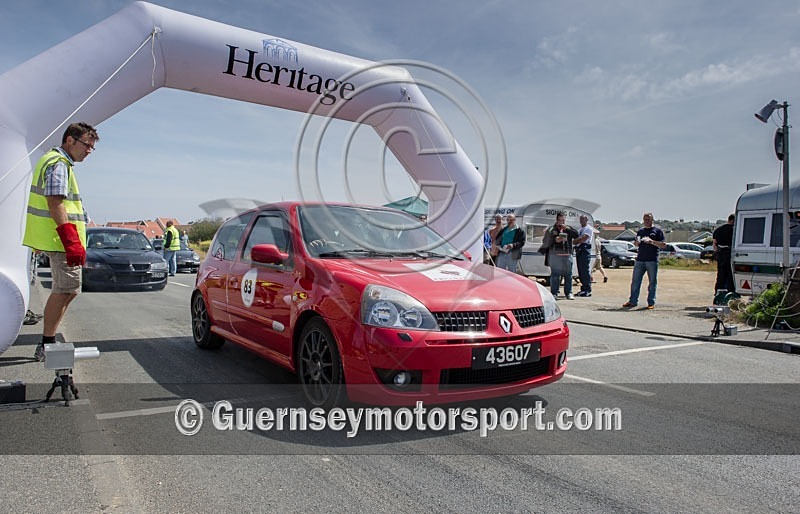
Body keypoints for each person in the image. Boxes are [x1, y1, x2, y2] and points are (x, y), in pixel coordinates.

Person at [23, 122, 99, 361]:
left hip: (59, 240)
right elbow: (55, 201)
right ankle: (46, 343)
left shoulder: (55, 161)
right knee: (65, 289)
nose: (89, 150)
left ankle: (48, 340)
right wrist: (70, 241)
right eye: (87, 145)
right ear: (70, 140)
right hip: (60, 241)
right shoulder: (58, 163)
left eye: (92, 147)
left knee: (68, 290)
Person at [623, 212, 666, 309]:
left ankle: (651, 302)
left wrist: (652, 242)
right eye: (645, 219)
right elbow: (636, 243)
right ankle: (632, 301)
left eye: (648, 219)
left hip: (652, 260)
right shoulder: (641, 231)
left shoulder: (657, 231)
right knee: (635, 281)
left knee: (652, 282)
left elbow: (663, 245)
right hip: (640, 259)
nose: (646, 221)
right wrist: (637, 243)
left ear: (652, 220)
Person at [541, 212, 579, 299]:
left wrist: (567, 230)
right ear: (556, 220)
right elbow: (545, 241)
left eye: (563, 220)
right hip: (555, 256)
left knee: (568, 275)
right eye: (560, 220)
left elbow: (576, 235)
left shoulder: (568, 228)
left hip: (567, 255)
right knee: (555, 275)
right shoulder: (551, 229)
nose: (562, 222)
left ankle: (568, 293)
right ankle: (554, 293)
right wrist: (555, 240)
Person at [713, 214, 735, 294]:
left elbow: (714, 244)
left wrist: (717, 253)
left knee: (720, 275)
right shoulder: (734, 230)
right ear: (733, 220)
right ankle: (730, 293)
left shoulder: (718, 230)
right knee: (730, 275)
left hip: (720, 253)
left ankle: (718, 292)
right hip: (729, 253)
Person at [574, 215, 594, 297]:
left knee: (585, 270)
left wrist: (576, 241)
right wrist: (576, 241)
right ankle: (583, 289)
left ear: (587, 220)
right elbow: (576, 240)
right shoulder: (580, 229)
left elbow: (583, 239)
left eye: (583, 219)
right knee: (580, 270)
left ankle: (587, 289)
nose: (582, 220)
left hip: (584, 249)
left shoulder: (588, 229)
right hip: (579, 250)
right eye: (581, 219)